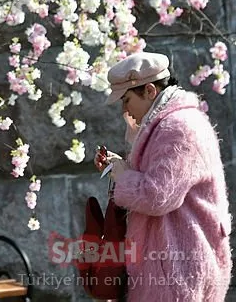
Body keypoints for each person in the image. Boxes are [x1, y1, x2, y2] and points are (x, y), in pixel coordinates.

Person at [94, 51, 232, 301]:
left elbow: (157, 196)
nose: (124, 110)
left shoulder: (179, 127)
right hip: (174, 263)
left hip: (179, 270)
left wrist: (123, 175)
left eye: (126, 100)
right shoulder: (170, 123)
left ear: (149, 91)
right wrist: (119, 166)